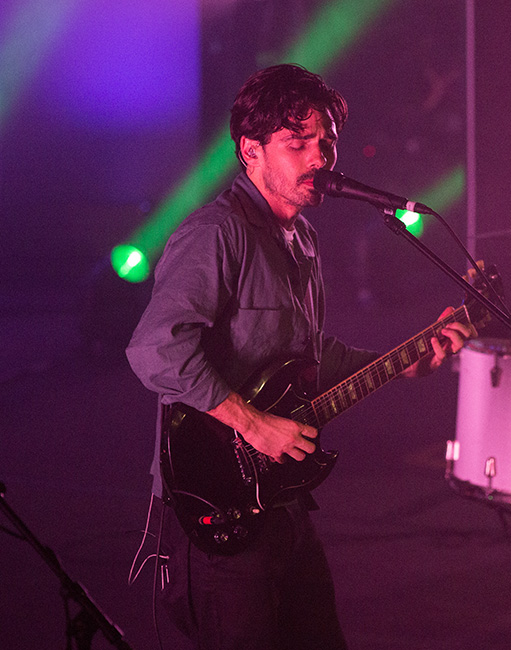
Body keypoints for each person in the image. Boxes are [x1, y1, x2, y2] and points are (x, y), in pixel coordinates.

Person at [126, 63, 472, 650]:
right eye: (299, 143)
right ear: (251, 151)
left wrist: (403, 360)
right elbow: (156, 347)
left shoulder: (301, 240)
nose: (321, 157)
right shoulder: (217, 233)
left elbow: (307, 356)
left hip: (281, 502)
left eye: (327, 142)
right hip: (217, 502)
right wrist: (253, 424)